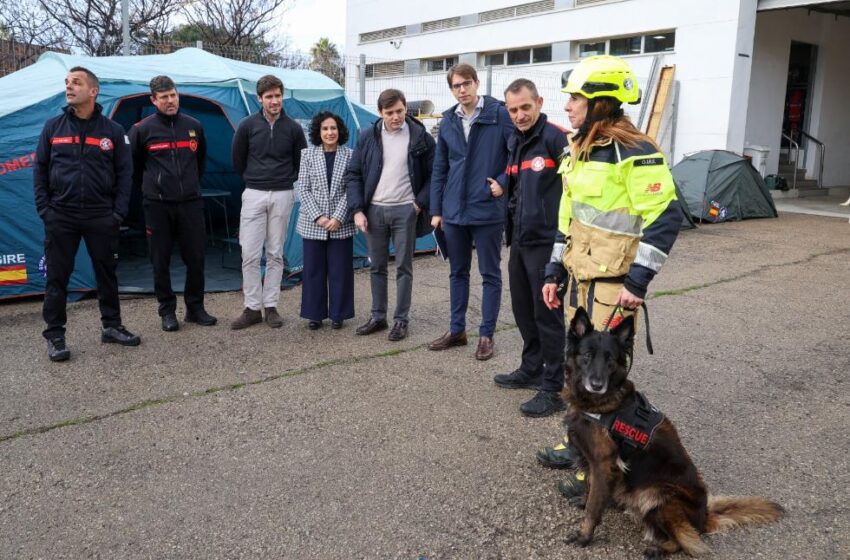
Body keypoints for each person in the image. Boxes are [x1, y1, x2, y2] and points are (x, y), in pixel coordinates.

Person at [536, 55, 683, 499]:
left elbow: (666, 216)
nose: (568, 106)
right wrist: (553, 269)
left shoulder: (635, 152)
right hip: (580, 282)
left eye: (576, 98)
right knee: (579, 369)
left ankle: (599, 467)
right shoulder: (578, 149)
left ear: (601, 102)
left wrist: (638, 282)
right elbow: (569, 218)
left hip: (615, 288)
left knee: (607, 381)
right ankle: (579, 441)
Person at [33, 66, 140, 361]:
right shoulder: (53, 128)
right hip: (61, 215)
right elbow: (40, 169)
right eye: (67, 83)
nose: (69, 87)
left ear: (93, 91)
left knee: (107, 273)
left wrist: (116, 213)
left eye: (76, 83)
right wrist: (46, 210)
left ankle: (112, 327)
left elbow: (124, 174)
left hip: (100, 216)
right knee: (57, 277)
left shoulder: (112, 131)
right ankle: (55, 335)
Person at [492, 79, 568, 417]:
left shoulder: (556, 137)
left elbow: (572, 191)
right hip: (520, 241)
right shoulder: (515, 140)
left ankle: (554, 386)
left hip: (546, 242)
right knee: (524, 310)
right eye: (513, 110)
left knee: (547, 315)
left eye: (525, 107)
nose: (520, 115)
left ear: (538, 102)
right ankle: (532, 368)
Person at [428, 63, 513, 361]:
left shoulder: (499, 114)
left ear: (476, 83)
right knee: (457, 272)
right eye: (456, 86)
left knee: (490, 274)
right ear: (451, 89)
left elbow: (516, 153)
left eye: (466, 83)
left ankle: (486, 334)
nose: (462, 90)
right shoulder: (448, 120)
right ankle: (457, 330)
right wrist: (437, 209)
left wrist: (503, 182)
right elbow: (440, 167)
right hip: (454, 212)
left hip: (487, 208)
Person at [345, 88, 435, 341]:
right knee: (377, 267)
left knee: (404, 267)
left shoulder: (421, 137)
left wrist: (418, 204)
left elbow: (435, 174)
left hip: (405, 210)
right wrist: (358, 209)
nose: (396, 117)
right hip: (374, 211)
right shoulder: (367, 137)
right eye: (389, 112)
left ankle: (401, 320)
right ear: (380, 113)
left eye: (399, 111)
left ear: (406, 107)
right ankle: (378, 316)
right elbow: (354, 174)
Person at [129, 75, 216, 332]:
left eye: (173, 95)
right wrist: (154, 189)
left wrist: (188, 186)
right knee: (160, 260)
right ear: (153, 100)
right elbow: (133, 169)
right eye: (164, 97)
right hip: (157, 206)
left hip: (190, 203)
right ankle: (167, 311)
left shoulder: (194, 126)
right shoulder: (141, 130)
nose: (170, 101)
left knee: (196, 258)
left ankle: (195, 308)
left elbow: (200, 163)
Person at [230, 75, 307, 329]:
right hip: (253, 193)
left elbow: (301, 162)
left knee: (275, 253)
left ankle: (271, 306)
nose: (275, 101)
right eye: (269, 96)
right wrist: (257, 179)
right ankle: (252, 307)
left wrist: (283, 179)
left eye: (278, 95)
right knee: (249, 254)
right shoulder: (246, 125)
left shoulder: (294, 128)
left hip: (283, 194)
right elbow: (238, 160)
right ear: (259, 98)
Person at [296, 112, 355, 330]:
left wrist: (339, 217)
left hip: (342, 223)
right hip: (313, 223)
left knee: (340, 270)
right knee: (313, 271)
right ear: (318, 132)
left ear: (340, 131)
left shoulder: (350, 155)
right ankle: (315, 314)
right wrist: (319, 217)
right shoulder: (307, 155)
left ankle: (339, 314)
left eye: (333, 128)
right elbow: (303, 188)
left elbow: (352, 189)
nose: (330, 133)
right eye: (325, 129)